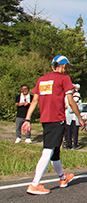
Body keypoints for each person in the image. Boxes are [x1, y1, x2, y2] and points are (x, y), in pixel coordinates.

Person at [21, 55, 83, 195]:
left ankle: (62, 178)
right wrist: (80, 117)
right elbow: (71, 101)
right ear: (63, 66)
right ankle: (35, 184)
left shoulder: (42, 79)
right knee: (48, 150)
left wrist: (27, 119)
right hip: (57, 119)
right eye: (66, 67)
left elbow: (35, 101)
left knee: (55, 150)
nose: (66, 69)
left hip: (45, 119)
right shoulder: (64, 79)